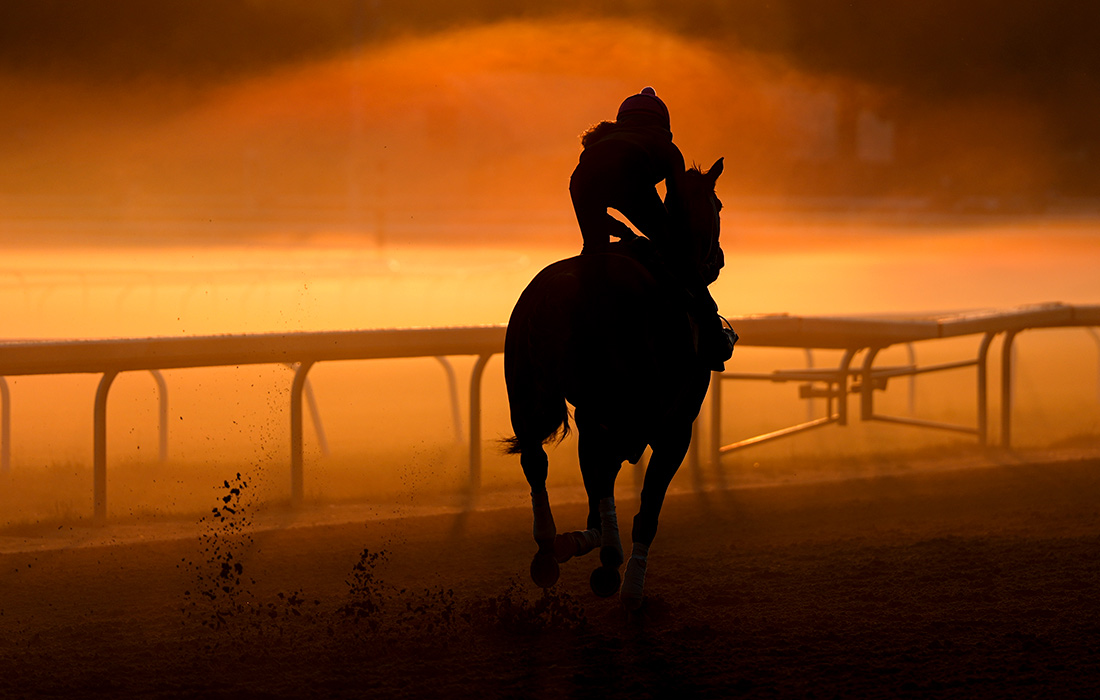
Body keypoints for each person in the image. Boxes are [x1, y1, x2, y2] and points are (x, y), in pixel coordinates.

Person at [568, 87, 735, 371]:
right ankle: (713, 336)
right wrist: (675, 246)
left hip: (580, 181)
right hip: (630, 179)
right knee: (679, 262)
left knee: (593, 254)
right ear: (663, 124)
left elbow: (596, 201)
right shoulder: (667, 149)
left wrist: (621, 230)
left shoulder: (603, 142)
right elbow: (678, 206)